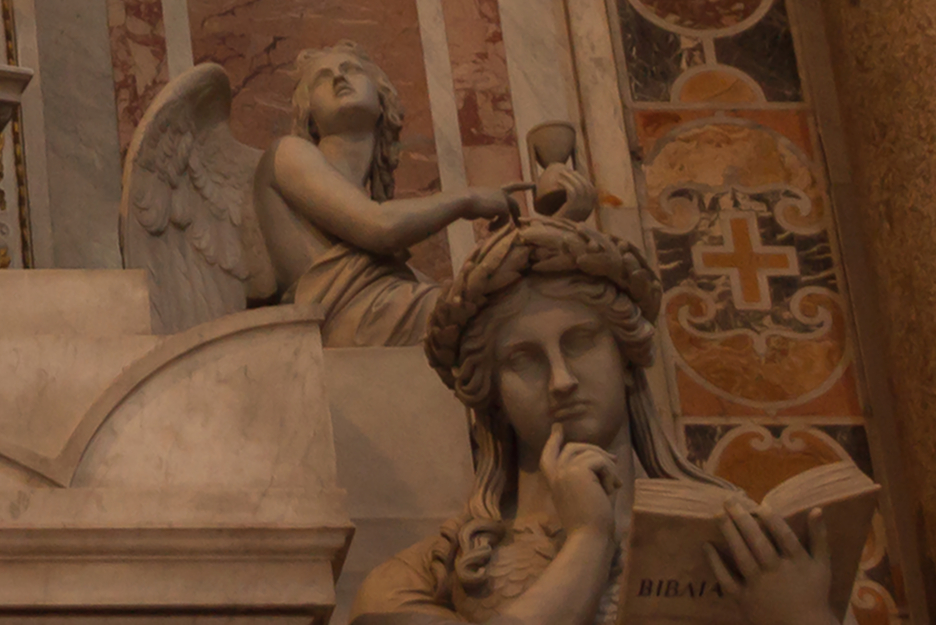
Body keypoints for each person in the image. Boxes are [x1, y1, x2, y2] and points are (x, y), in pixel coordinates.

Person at [356, 215, 833, 622]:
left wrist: (805, 618)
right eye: (524, 359)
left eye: (581, 342)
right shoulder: (417, 579)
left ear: (626, 359)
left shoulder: (758, 551)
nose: (561, 380)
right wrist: (589, 539)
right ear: (492, 395)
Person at [256, 44, 512, 344]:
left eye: (350, 69)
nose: (339, 78)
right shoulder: (288, 153)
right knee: (486, 320)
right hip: (346, 320)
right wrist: (467, 200)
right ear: (309, 116)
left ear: (382, 100)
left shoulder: (374, 250)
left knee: (499, 307)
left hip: (381, 310)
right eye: (323, 78)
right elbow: (380, 226)